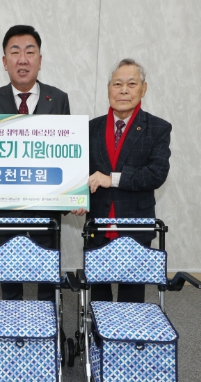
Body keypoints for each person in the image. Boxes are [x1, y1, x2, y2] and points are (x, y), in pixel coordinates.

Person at [0, 25, 71, 302]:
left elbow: (68, 152)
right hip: (6, 204)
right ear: (4, 61)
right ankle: (11, 317)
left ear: (40, 60)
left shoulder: (59, 99)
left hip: (48, 204)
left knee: (48, 271)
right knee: (9, 271)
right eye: (15, 52)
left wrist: (73, 196)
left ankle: (48, 320)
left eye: (30, 52)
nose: (22, 59)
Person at [73, 58, 171, 303]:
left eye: (131, 84)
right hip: (98, 222)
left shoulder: (157, 128)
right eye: (117, 84)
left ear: (144, 89)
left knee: (132, 296)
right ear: (109, 89)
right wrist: (75, 197)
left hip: (135, 224)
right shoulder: (89, 128)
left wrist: (112, 179)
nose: (124, 90)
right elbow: (78, 171)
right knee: (98, 294)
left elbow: (156, 173)